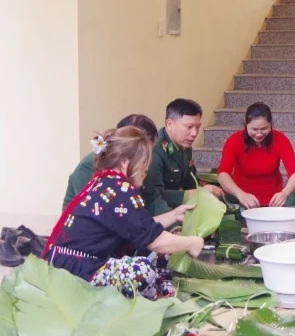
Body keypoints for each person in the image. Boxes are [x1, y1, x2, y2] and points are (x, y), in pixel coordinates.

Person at [42, 127, 204, 300]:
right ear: (126, 164)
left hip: (67, 264)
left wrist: (173, 215)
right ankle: (152, 294)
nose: (145, 172)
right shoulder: (120, 189)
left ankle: (156, 289)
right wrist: (192, 243)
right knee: (141, 270)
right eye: (144, 166)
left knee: (155, 256)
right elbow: (155, 241)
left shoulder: (106, 183)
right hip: (78, 270)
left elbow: (139, 227)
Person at [141, 98, 223, 215]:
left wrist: (203, 190)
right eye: (189, 127)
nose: (194, 133)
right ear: (170, 124)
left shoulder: (184, 145)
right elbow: (153, 197)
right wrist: (193, 194)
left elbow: (190, 180)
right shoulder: (155, 150)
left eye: (198, 127)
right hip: (161, 214)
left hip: (180, 208)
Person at [62, 114, 158, 210]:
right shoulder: (90, 167)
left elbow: (153, 199)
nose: (147, 164)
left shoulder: (134, 169)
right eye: (144, 156)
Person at [216, 102, 295, 208]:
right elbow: (223, 174)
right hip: (240, 199)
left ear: (271, 123)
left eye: (264, 129)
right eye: (254, 129)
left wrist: (285, 193)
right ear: (245, 123)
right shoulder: (233, 141)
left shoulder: (280, 139)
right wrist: (241, 195)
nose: (259, 134)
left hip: (273, 201)